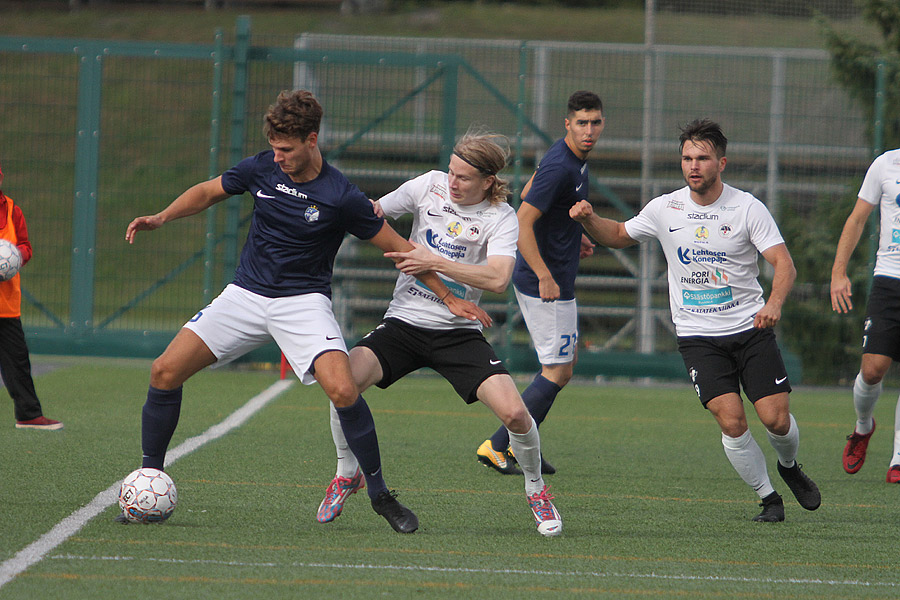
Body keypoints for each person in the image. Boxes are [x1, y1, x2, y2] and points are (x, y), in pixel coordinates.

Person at [120, 90, 488, 532]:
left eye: (287, 150)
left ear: (312, 140)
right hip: (245, 295)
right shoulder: (261, 166)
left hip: (303, 303)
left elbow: (401, 249)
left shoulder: (341, 196)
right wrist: (162, 217)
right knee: (164, 371)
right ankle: (149, 476)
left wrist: (449, 298)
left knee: (344, 389)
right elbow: (208, 191)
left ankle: (379, 495)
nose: (278, 158)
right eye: (274, 148)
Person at [570, 118, 821, 522]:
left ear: (722, 163)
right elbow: (617, 233)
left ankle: (790, 467)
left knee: (775, 418)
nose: (693, 165)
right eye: (687, 157)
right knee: (731, 419)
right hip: (697, 337)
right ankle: (769, 498)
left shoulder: (746, 208)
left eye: (702, 158)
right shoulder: (665, 207)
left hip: (750, 329)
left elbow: (783, 264)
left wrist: (773, 303)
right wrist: (587, 219)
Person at [316, 131, 562, 536]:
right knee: (341, 382)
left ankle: (536, 489)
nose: (452, 182)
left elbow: (499, 279)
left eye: (463, 177)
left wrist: (434, 262)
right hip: (402, 324)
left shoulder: (499, 218)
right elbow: (375, 213)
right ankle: (347, 471)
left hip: (457, 332)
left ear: (488, 181)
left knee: (516, 414)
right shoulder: (427, 185)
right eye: (451, 171)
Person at [476, 91, 604, 476]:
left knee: (564, 364)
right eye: (581, 123)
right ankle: (498, 446)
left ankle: (515, 445)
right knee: (558, 370)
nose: (589, 130)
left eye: (595, 122)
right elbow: (522, 222)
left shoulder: (570, 161)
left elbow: (534, 195)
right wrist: (545, 274)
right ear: (568, 124)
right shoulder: (561, 166)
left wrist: (571, 232)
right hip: (543, 280)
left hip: (554, 274)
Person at [831, 147, 900, 483]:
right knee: (873, 370)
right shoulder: (887, 163)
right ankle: (863, 426)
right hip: (889, 279)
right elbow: (857, 218)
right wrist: (838, 272)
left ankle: (898, 460)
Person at [0, 160, 63, 431]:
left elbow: (25, 246)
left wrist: (15, 257)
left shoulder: (13, 210)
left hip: (5, 303)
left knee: (17, 360)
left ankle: (28, 414)